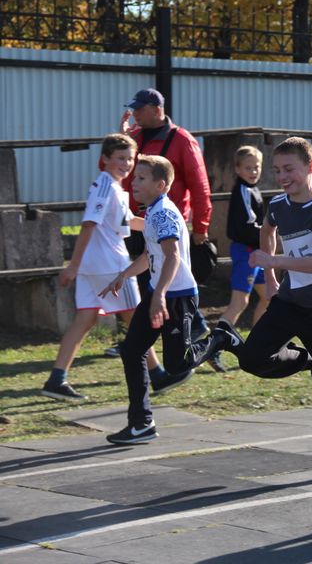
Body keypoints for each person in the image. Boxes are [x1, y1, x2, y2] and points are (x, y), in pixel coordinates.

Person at [192, 137, 312, 474]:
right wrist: (270, 276)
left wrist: (274, 259)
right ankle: (243, 342)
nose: (282, 177)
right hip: (292, 301)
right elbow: (267, 231)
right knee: (253, 359)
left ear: (310, 167)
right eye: (277, 170)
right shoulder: (279, 205)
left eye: (290, 169)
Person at [41, 135, 186, 401]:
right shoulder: (106, 187)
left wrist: (163, 225)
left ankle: (56, 379)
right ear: (105, 159)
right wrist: (72, 265)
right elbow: (88, 225)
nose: (127, 163)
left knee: (85, 319)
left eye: (130, 158)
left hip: (94, 265)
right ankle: (158, 375)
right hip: (108, 264)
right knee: (137, 316)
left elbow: (127, 220)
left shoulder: (114, 187)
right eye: (120, 158)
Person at [111, 88, 224, 371]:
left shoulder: (181, 139)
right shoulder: (135, 138)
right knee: (150, 279)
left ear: (157, 109)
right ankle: (166, 336)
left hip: (167, 222)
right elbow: (116, 171)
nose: (135, 113)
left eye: (140, 109)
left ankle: (193, 334)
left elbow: (200, 185)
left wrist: (201, 226)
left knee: (166, 279)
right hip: (140, 221)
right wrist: (123, 138)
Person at [100, 155, 198, 444]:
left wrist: (161, 296)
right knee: (132, 351)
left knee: (179, 365)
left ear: (161, 184)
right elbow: (149, 256)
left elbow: (172, 256)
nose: (134, 182)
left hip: (176, 297)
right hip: (159, 294)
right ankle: (141, 423)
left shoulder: (163, 213)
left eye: (141, 178)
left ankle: (221, 339)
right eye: (135, 177)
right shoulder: (154, 212)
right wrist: (123, 275)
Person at [220, 145, 269, 328]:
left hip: (255, 251)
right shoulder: (244, 191)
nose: (253, 171)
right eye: (248, 168)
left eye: (257, 167)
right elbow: (249, 226)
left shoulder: (252, 189)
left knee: (269, 296)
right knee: (240, 302)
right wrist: (268, 234)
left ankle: (257, 342)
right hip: (246, 252)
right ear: (237, 169)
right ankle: (212, 347)